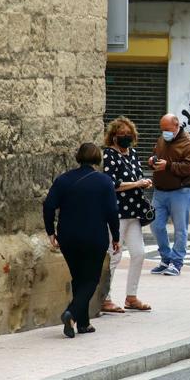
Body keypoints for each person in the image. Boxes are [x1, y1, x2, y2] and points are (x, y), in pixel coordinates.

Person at [43, 143, 120, 338]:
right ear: (97, 158)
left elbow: (49, 206)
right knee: (91, 279)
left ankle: (83, 323)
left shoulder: (63, 180)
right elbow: (112, 212)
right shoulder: (104, 182)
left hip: (68, 237)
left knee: (79, 277)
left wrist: (51, 232)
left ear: (78, 157)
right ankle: (72, 312)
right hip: (94, 237)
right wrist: (116, 237)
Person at [101, 117, 154, 313]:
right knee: (114, 255)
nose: (126, 137)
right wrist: (137, 184)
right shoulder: (109, 155)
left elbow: (136, 176)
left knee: (139, 253)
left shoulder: (132, 153)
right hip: (117, 212)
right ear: (113, 137)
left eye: (128, 134)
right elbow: (111, 184)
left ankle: (131, 296)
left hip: (134, 212)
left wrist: (144, 182)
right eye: (122, 134)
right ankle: (105, 298)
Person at [148, 113, 190, 276]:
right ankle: (165, 258)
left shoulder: (189, 143)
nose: (164, 132)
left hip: (181, 191)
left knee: (180, 229)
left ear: (177, 126)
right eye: (162, 129)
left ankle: (176, 262)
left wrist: (168, 166)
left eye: (167, 129)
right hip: (160, 190)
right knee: (155, 225)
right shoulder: (162, 140)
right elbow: (157, 154)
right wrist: (152, 160)